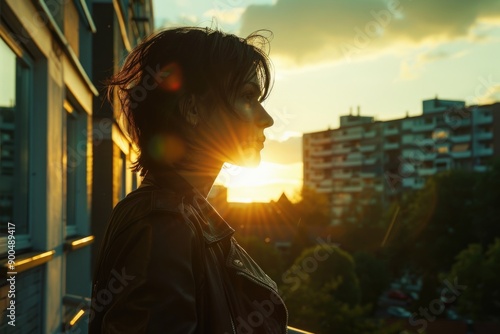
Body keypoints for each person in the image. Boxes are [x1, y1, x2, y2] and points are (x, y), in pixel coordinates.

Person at [89, 27, 288, 333]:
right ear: (192, 109)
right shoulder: (164, 226)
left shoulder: (184, 215)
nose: (267, 118)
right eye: (248, 97)